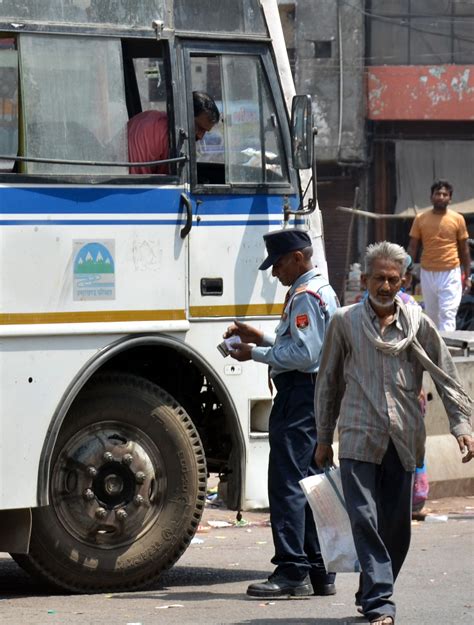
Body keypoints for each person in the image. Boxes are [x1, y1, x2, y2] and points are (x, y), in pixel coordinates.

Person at [314, 241, 473, 625]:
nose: (385, 286)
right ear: (365, 279)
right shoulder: (344, 321)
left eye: (393, 279)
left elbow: (446, 375)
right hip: (357, 437)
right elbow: (328, 382)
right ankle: (381, 603)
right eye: (378, 279)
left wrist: (461, 425)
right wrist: (323, 437)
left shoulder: (418, 323)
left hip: (403, 439)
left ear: (405, 280)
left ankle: (371, 586)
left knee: (397, 529)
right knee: (365, 519)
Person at [224, 229, 339, 598]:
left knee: (287, 483)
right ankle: (319, 570)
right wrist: (260, 337)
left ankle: (292, 571)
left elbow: (304, 356)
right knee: (309, 480)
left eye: (278, 264)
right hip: (314, 394)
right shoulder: (322, 290)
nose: (275, 273)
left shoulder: (304, 295)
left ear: (297, 258)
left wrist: (253, 354)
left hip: (299, 397)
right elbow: (305, 347)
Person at [407, 180, 471, 332]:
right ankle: (434, 351)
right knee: (431, 315)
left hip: (450, 272)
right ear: (431, 197)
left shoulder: (458, 219)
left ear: (450, 198)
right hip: (428, 272)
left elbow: (464, 249)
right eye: (438, 194)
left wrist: (467, 276)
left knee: (447, 313)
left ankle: (446, 351)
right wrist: (407, 270)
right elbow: (413, 246)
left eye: (445, 194)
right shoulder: (420, 219)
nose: (441, 197)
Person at [127, 91, 220, 174]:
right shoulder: (171, 137)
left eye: (205, 132)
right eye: (199, 128)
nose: (200, 136)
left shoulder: (153, 117)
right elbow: (170, 182)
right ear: (185, 114)